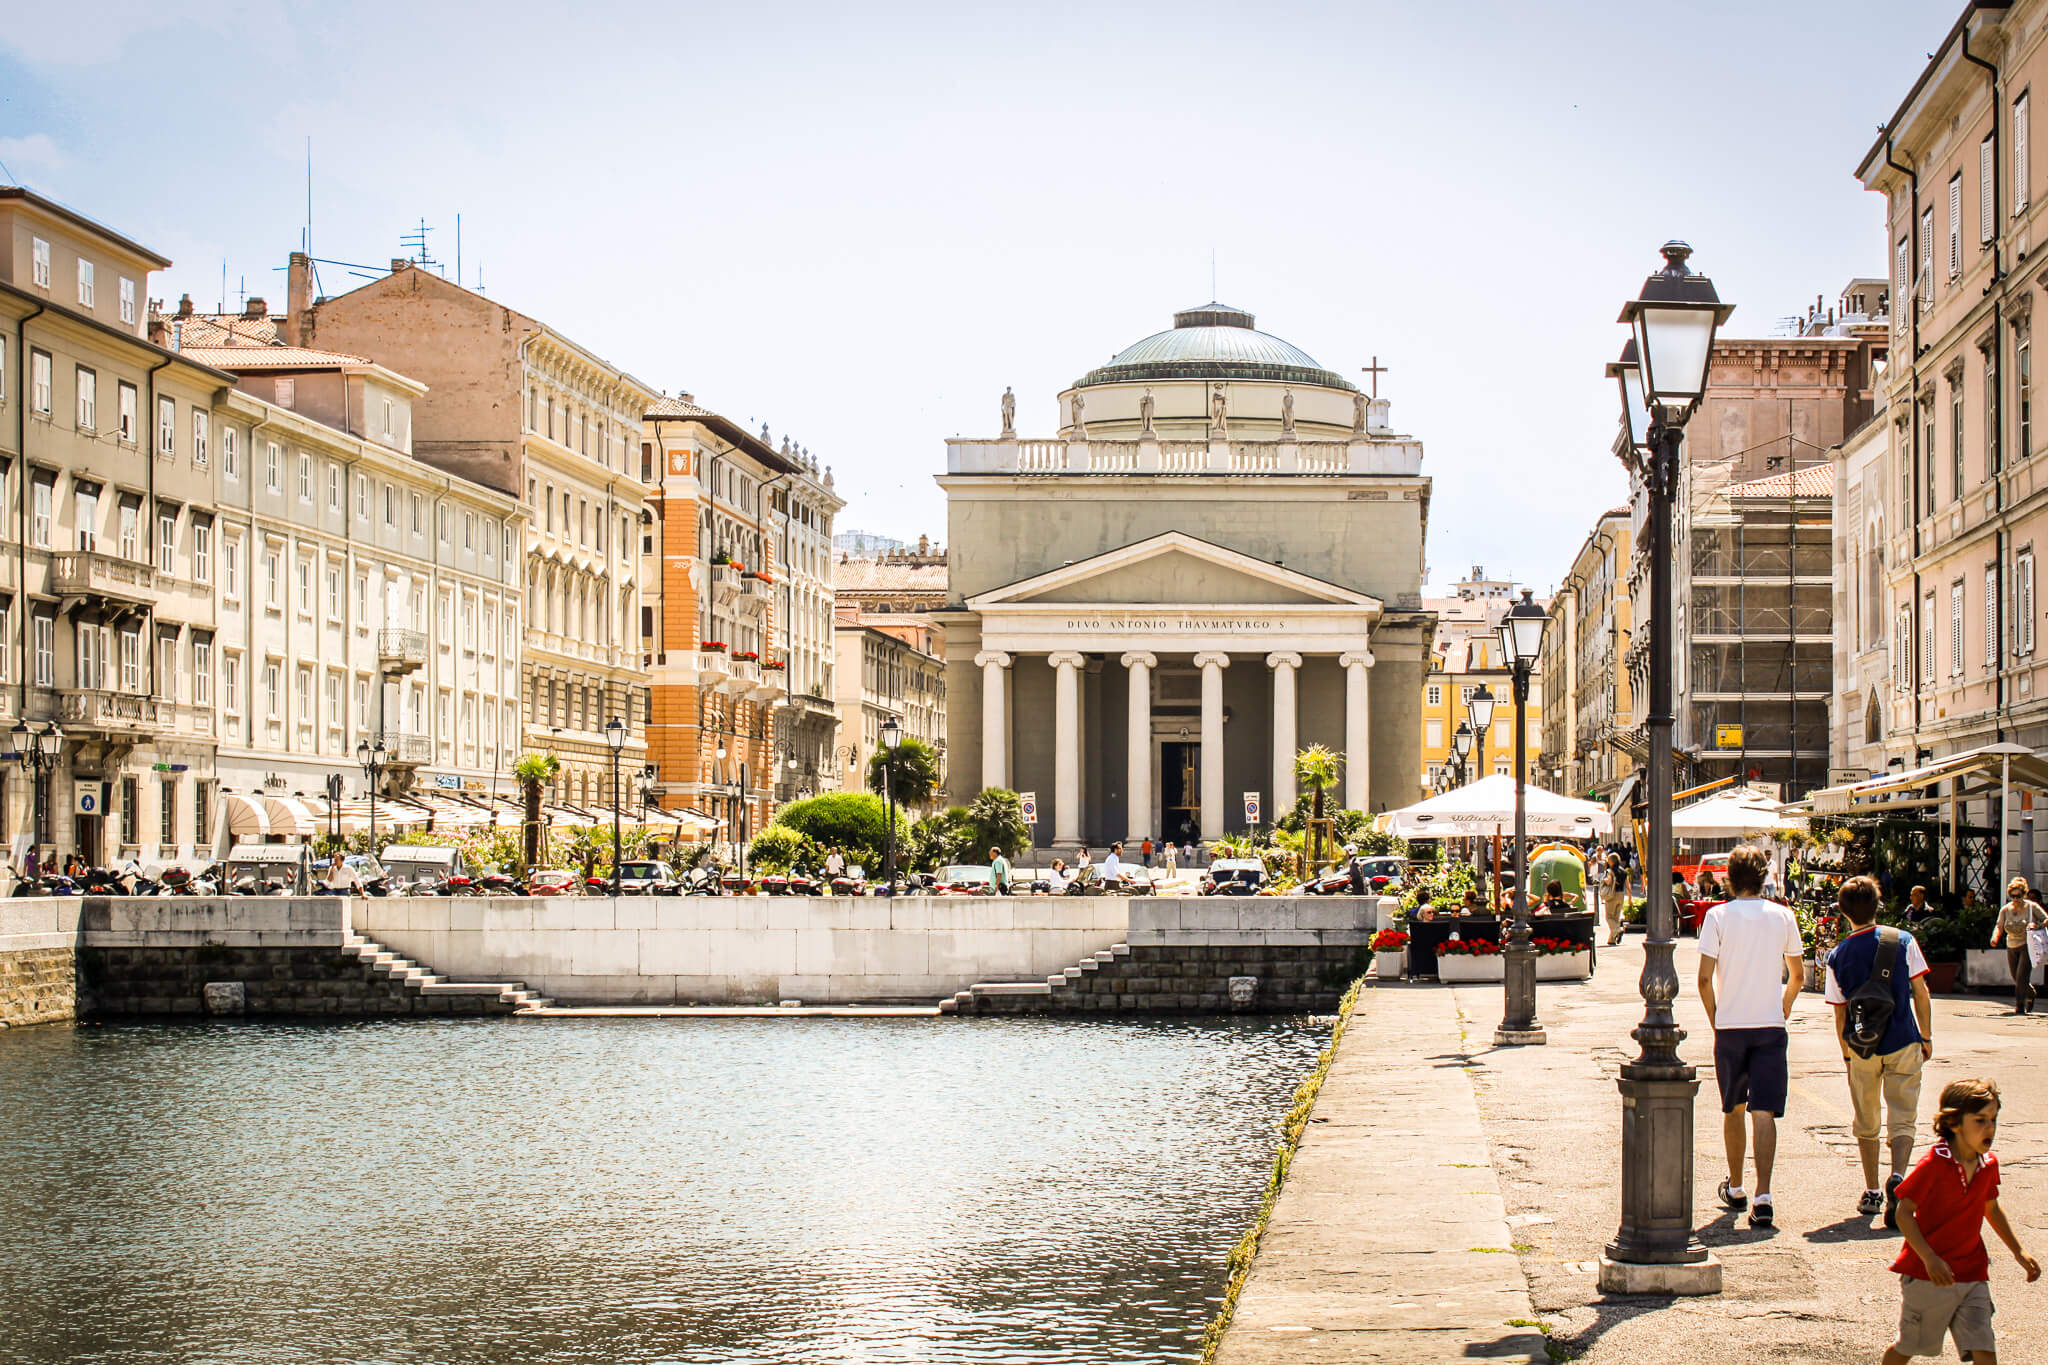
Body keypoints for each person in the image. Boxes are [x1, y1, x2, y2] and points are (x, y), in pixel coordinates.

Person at [1881, 1078, 2039, 1365]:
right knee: (1910, 1346)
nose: (1989, 1128)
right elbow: (1903, 1213)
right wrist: (1929, 1258)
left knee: (1984, 1348)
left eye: (1993, 1119)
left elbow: (1992, 1208)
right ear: (1953, 1123)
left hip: (1972, 1272)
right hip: (1928, 1274)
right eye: (1980, 1120)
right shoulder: (1934, 1164)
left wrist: (2019, 1251)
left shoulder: (1988, 1165)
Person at [1697, 844, 1806, 1229]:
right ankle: (1764, 1195)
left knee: (1733, 1108)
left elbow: (1704, 980)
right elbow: (1797, 975)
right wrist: (1784, 1006)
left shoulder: (1717, 916)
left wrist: (1716, 1020)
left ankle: (1736, 1185)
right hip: (1769, 1025)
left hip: (1731, 1026)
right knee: (1764, 1111)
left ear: (1729, 878)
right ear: (1764, 877)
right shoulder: (1782, 915)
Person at [1824, 875, 1933, 1226]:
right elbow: (1921, 992)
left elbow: (1840, 1013)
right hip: (1903, 1038)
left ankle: (1872, 1189)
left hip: (1862, 1047)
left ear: (1844, 912)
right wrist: (1926, 1036)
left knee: (1866, 1119)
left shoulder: (1837, 955)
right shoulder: (1903, 940)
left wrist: (1847, 1054)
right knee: (1903, 1115)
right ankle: (1898, 1176)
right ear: (1878, 905)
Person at [1989, 878, 2046, 1014]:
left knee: (2021, 976)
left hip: (2027, 944)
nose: (2015, 899)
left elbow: (2046, 919)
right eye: (2012, 896)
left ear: (2024, 894)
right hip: (2011, 944)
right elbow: (1999, 926)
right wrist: (1995, 938)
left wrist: (2037, 925)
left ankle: (2020, 1006)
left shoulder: (2031, 907)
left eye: (2018, 896)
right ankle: (2030, 992)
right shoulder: (2005, 909)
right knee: (2015, 976)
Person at [1603, 852, 1628, 947]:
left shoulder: (1610, 871)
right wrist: (1630, 898)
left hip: (1612, 895)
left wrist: (1603, 880)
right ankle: (1612, 939)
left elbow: (1609, 882)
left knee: (1609, 917)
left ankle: (1618, 930)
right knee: (1616, 918)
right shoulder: (1624, 871)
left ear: (1611, 861)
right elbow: (1628, 885)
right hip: (1621, 894)